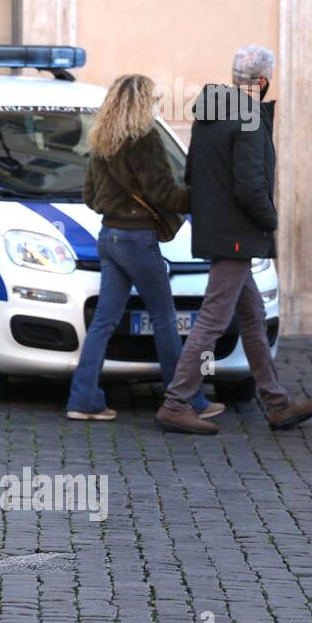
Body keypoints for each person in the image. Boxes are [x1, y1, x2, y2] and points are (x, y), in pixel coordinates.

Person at [156, 45, 312, 435]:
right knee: (213, 318)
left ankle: (277, 402)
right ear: (263, 82)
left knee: (252, 316)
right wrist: (270, 220)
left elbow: (192, 173)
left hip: (218, 230)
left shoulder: (209, 113)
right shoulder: (247, 117)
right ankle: (176, 403)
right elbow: (250, 186)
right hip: (236, 236)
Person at [66, 75, 223, 422]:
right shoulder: (146, 140)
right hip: (138, 240)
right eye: (152, 100)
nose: (156, 105)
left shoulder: (101, 139)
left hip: (109, 236)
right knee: (165, 319)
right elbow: (165, 193)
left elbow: (91, 197)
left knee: (104, 322)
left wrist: (121, 209)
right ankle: (185, 400)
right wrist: (201, 194)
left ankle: (83, 398)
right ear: (141, 103)